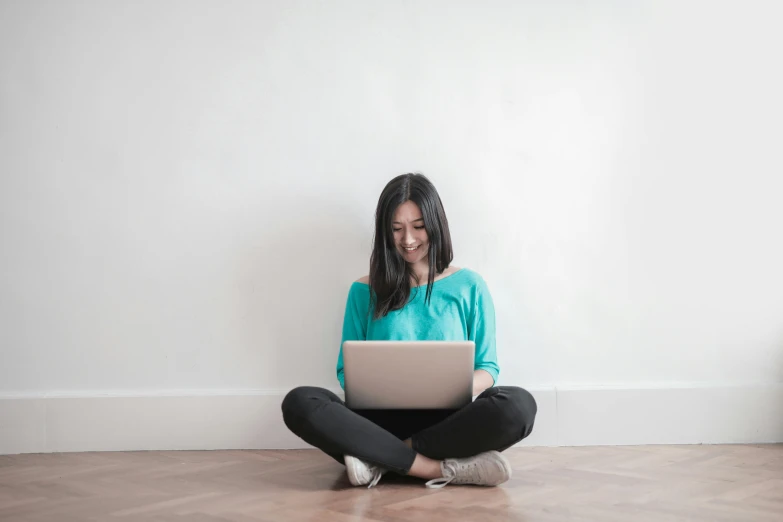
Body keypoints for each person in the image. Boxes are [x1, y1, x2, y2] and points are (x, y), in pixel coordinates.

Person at [282, 173, 537, 488]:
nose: (408, 240)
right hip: (377, 422)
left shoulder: (470, 286)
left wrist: (453, 389)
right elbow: (346, 373)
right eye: (396, 229)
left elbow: (488, 368)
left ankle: (381, 460)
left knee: (519, 406)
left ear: (435, 224)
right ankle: (438, 469)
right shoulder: (362, 291)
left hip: (448, 421)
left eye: (418, 227)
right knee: (300, 402)